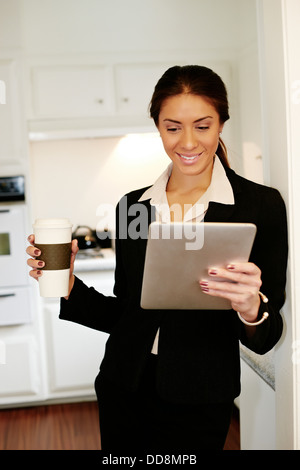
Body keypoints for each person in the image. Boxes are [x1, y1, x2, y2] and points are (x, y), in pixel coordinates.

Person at [27, 65, 288, 451]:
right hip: (123, 385)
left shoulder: (259, 206)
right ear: (158, 127)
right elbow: (128, 312)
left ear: (220, 124)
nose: (187, 142)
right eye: (172, 127)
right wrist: (68, 288)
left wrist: (250, 308)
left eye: (202, 125)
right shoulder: (133, 207)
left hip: (201, 394)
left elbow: (267, 334)